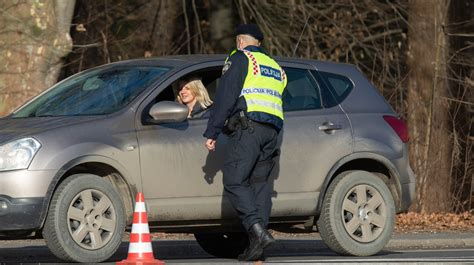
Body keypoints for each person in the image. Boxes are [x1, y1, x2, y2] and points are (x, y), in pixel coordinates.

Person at [203, 24, 287, 261]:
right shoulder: (276, 67)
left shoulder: (241, 58)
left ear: (240, 41)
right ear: (259, 42)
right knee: (259, 185)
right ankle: (256, 247)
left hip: (248, 128)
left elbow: (226, 95)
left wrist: (212, 131)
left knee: (234, 181)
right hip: (273, 132)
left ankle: (257, 230)